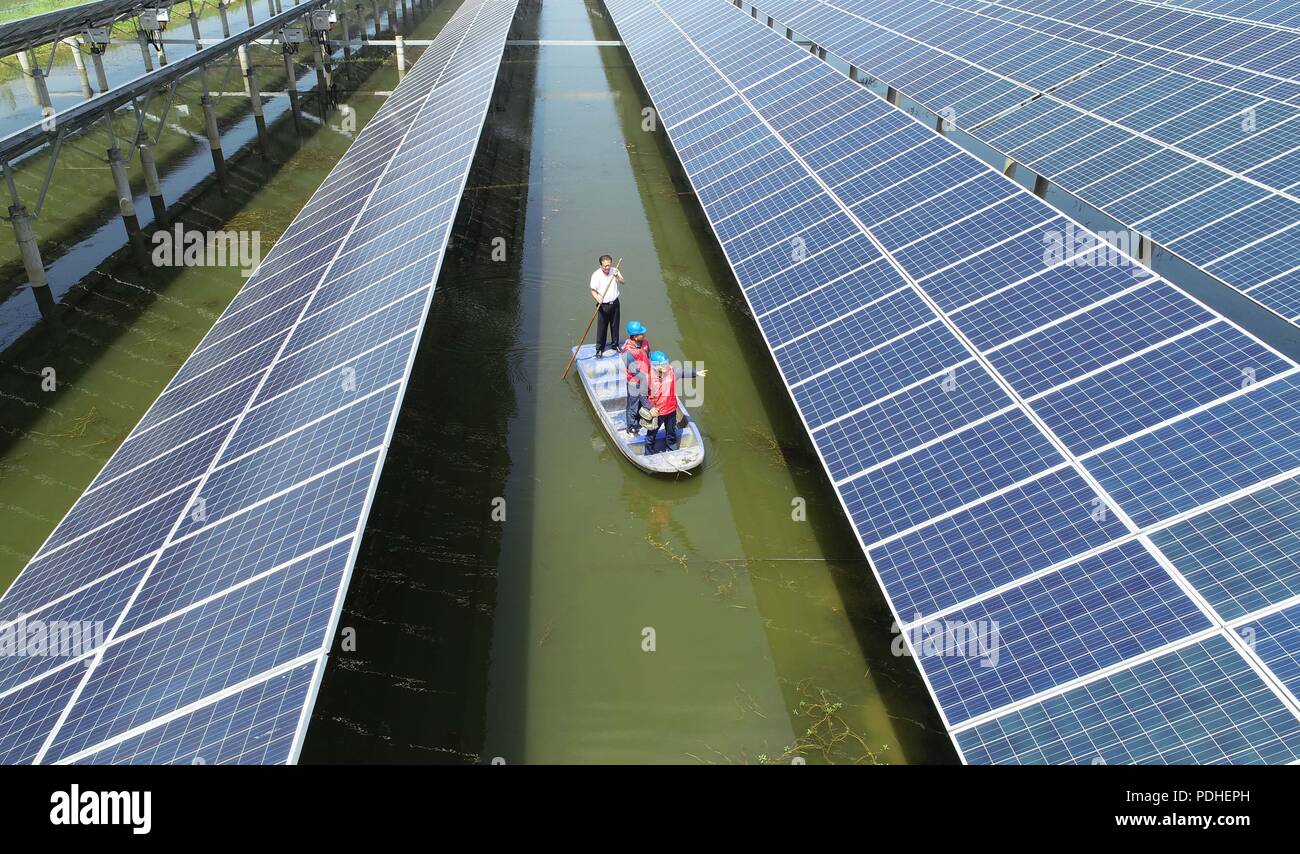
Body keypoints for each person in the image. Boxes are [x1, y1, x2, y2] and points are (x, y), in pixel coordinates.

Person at [645, 351, 706, 454]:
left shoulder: (672, 372)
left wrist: (696, 373)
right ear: (655, 366)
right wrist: (650, 408)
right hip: (657, 412)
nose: (666, 366)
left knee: (671, 433)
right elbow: (642, 396)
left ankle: (672, 449)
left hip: (671, 410)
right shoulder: (648, 378)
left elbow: (683, 372)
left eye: (666, 363)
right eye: (663, 364)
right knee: (651, 435)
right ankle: (648, 453)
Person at [589, 255, 624, 356]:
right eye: (605, 266)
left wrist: (617, 276)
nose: (607, 268)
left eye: (609, 265)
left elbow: (623, 282)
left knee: (615, 325)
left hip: (615, 303)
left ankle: (615, 345)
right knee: (602, 327)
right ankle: (600, 348)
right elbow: (593, 291)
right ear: (600, 265)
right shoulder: (596, 275)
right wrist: (598, 298)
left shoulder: (614, 271)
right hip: (603, 305)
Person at [621, 321, 651, 436]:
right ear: (634, 337)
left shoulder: (645, 343)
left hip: (645, 379)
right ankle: (631, 427)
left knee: (641, 403)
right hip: (634, 382)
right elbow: (634, 371)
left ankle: (639, 422)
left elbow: (649, 356)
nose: (644, 335)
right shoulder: (627, 352)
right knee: (632, 406)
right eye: (641, 333)